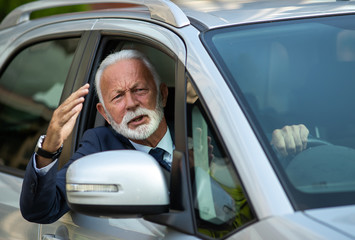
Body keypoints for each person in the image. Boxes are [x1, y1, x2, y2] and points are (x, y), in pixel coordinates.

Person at [20, 49, 309, 224]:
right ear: (105, 114)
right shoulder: (99, 145)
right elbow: (41, 211)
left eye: (140, 90)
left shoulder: (204, 123)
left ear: (164, 94)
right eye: (118, 96)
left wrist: (280, 149)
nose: (131, 103)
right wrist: (50, 147)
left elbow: (251, 168)